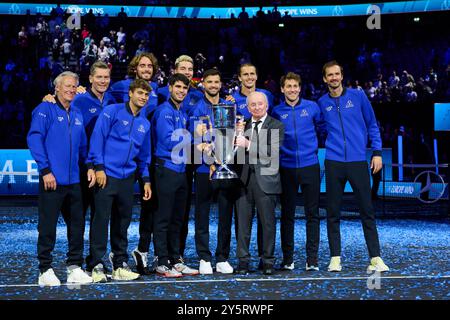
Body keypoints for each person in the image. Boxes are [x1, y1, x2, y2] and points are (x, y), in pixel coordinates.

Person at [318, 60, 389, 272]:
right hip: (334, 162)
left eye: (337, 74)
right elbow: (320, 127)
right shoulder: (322, 102)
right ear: (325, 79)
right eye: (329, 75)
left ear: (342, 76)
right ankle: (335, 258)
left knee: (367, 211)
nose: (334, 78)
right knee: (332, 212)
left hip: (358, 161)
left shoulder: (358, 96)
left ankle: (375, 258)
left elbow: (372, 124)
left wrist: (376, 152)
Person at [27, 71, 95, 286]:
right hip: (52, 179)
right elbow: (35, 139)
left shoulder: (76, 113)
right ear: (56, 88)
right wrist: (45, 170)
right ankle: (45, 269)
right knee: (47, 226)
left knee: (77, 226)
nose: (71, 90)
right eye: (67, 86)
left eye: (74, 86)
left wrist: (90, 166)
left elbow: (83, 146)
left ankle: (74, 267)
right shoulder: (43, 110)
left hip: (74, 181)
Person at [86, 79, 152, 282]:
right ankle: (96, 263)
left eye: (146, 95)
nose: (143, 97)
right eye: (140, 93)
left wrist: (146, 179)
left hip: (127, 178)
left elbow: (144, 155)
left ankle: (119, 264)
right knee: (101, 220)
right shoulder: (112, 111)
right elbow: (98, 138)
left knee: (122, 222)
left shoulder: (144, 123)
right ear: (130, 93)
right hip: (106, 175)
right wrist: (98, 167)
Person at [41, 61, 116, 237]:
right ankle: (75, 258)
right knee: (77, 216)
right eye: (99, 77)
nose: (103, 81)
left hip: (103, 166)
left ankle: (94, 259)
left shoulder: (112, 100)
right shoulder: (78, 98)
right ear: (90, 78)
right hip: (82, 165)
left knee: (100, 215)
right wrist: (50, 98)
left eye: (106, 77)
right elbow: (60, 105)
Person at [271, 72, 322, 271]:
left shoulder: (312, 107)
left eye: (296, 86)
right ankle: (288, 259)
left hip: (310, 165)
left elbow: (322, 128)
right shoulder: (276, 111)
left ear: (300, 88)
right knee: (287, 215)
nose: (292, 89)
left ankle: (312, 259)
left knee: (312, 214)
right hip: (286, 168)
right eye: (288, 86)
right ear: (282, 89)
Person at [187, 69, 236, 274]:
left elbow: (232, 136)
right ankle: (204, 257)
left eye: (217, 81)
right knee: (202, 213)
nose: (214, 85)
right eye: (210, 82)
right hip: (203, 169)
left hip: (225, 166)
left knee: (225, 213)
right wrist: (210, 162)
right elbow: (197, 140)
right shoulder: (197, 108)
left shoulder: (228, 106)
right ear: (203, 84)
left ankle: (222, 257)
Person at [152, 73, 199, 277]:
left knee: (177, 219)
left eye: (185, 88)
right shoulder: (164, 111)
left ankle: (175, 258)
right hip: (166, 169)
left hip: (180, 171)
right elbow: (170, 141)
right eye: (178, 87)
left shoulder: (181, 113)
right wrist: (197, 140)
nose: (181, 91)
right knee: (163, 218)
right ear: (170, 87)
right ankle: (162, 261)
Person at [234, 91, 285, 275]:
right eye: (252, 105)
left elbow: (271, 152)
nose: (256, 107)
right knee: (242, 225)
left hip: (267, 181)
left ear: (266, 106)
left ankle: (268, 261)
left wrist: (247, 144)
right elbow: (233, 153)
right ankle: (243, 262)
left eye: (259, 104)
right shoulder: (241, 126)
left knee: (268, 224)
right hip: (244, 181)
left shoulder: (276, 125)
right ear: (248, 108)